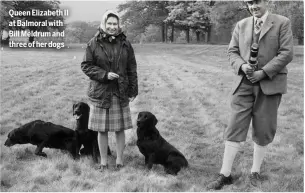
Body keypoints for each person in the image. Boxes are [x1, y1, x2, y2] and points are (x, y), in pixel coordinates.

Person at [207, 0, 293, 190]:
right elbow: (232, 51)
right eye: (249, 2)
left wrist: (263, 73)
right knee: (234, 127)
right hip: (244, 83)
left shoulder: (282, 22)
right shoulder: (241, 25)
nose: (253, 6)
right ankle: (225, 174)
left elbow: (286, 53)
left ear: (267, 2)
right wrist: (242, 66)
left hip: (269, 83)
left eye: (257, 2)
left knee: (263, 129)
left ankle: (255, 171)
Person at [81, 10, 138, 171]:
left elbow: (131, 67)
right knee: (102, 130)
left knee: (120, 129)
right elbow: (86, 66)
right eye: (109, 23)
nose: (112, 27)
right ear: (104, 24)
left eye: (115, 24)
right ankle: (104, 162)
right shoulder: (93, 43)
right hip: (101, 92)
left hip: (120, 91)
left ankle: (120, 161)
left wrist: (133, 89)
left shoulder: (125, 43)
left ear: (118, 25)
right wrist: (104, 75)